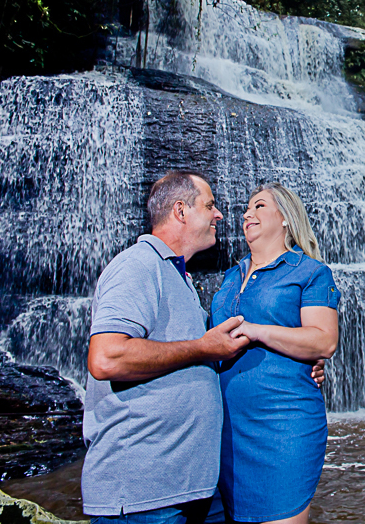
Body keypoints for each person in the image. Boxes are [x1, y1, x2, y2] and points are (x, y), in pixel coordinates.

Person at [82, 171, 324, 524]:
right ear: (181, 211)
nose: (221, 215)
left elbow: (214, 349)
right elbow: (106, 358)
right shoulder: (138, 265)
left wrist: (300, 361)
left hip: (193, 485)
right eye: (210, 205)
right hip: (142, 494)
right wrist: (202, 347)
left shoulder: (180, 278)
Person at [211, 183, 340, 524]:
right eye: (246, 208)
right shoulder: (230, 277)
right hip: (226, 430)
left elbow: (324, 341)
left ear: (285, 217)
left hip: (284, 424)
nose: (247, 214)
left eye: (259, 206)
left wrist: (258, 331)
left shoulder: (310, 272)